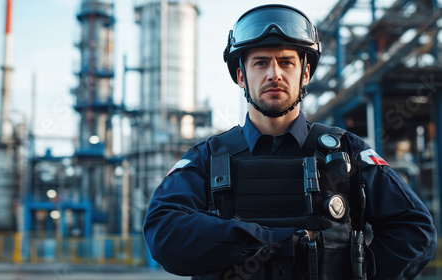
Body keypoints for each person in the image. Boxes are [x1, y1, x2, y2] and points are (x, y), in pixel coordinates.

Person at [143, 4, 437, 280]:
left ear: (305, 73)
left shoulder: (348, 151)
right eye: (260, 63)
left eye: (286, 62)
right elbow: (162, 232)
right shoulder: (207, 158)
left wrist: (358, 270)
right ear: (241, 76)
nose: (275, 74)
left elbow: (416, 232)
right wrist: (272, 241)